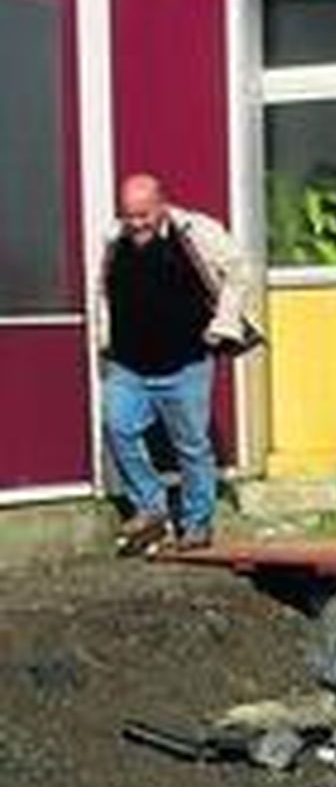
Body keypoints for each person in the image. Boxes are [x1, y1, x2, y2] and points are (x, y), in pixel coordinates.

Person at [99, 174, 256, 555]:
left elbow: (239, 273)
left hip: (185, 362)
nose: (136, 224)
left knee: (191, 446)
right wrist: (103, 336)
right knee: (118, 428)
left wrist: (223, 325)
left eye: (144, 215)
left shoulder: (197, 232)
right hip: (129, 364)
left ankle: (197, 523)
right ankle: (151, 508)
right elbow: (101, 288)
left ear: (162, 204)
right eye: (129, 215)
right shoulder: (113, 239)